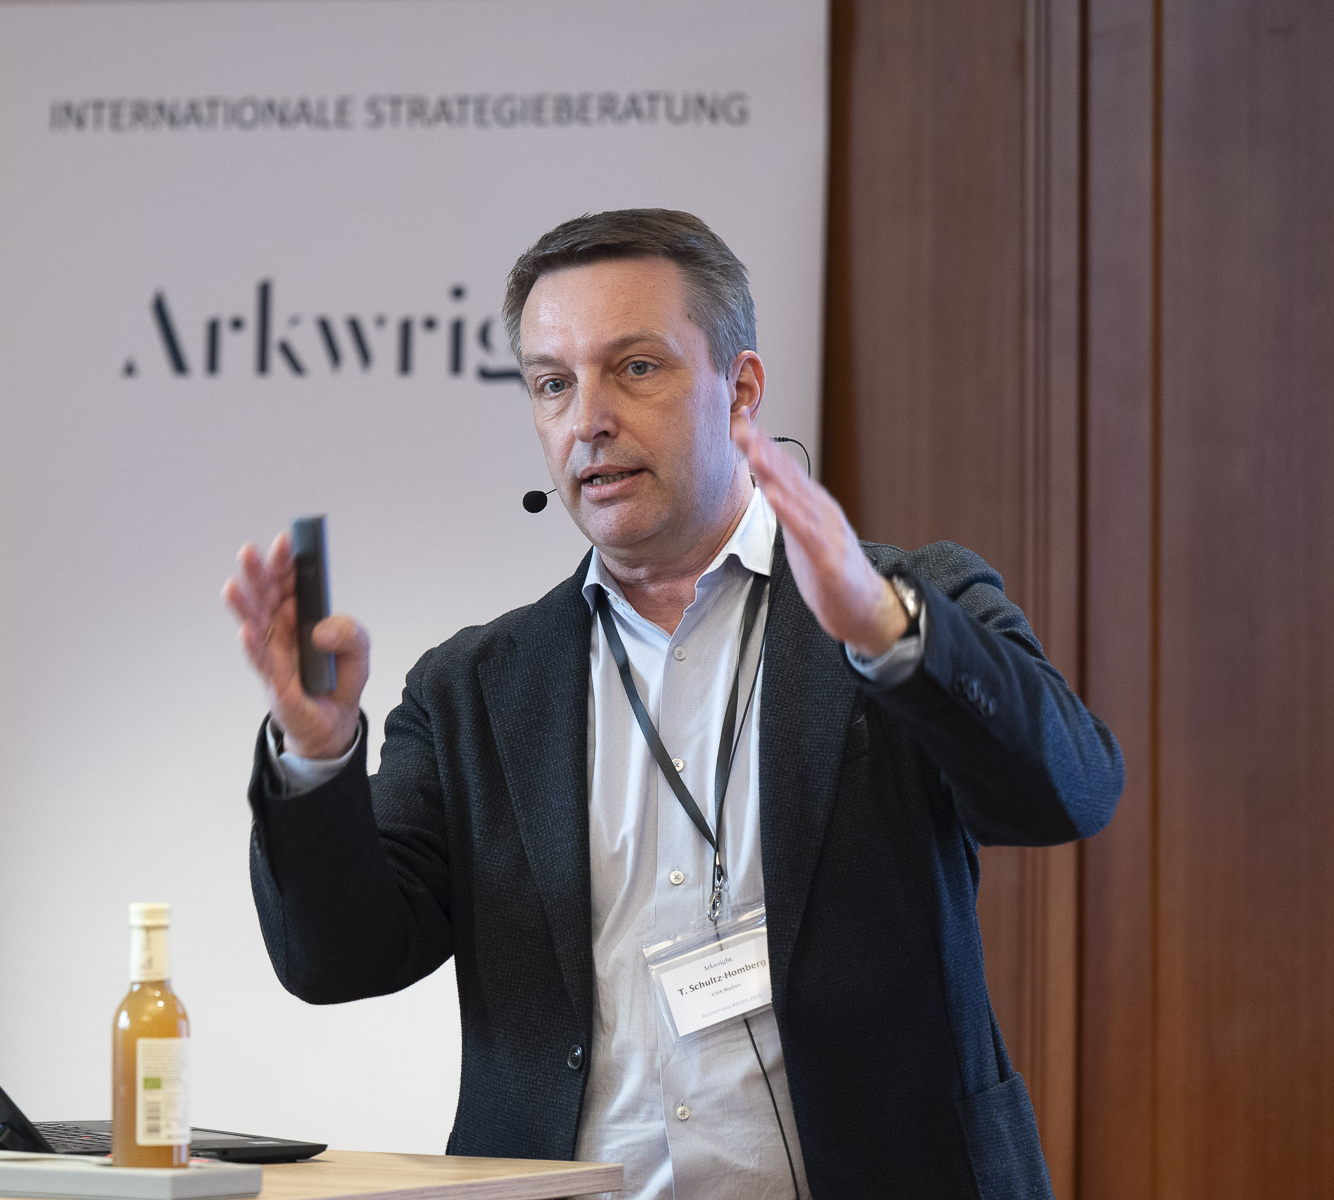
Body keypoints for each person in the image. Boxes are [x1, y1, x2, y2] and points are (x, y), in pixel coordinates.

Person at [222, 209, 1122, 1200]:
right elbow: (337, 958)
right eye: (553, 384)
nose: (588, 418)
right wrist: (315, 755)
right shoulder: (473, 687)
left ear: (742, 389)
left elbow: (1069, 791)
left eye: (636, 367)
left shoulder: (906, 604)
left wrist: (885, 631)